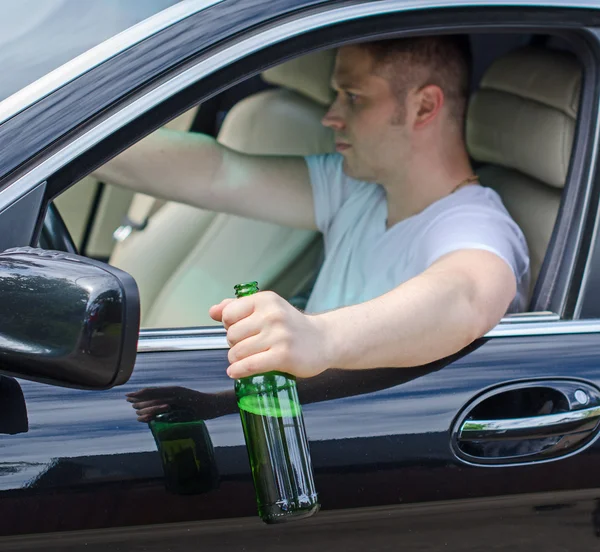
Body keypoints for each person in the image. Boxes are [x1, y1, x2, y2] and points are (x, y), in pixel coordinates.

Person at [95, 36, 530, 380]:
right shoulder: (357, 188)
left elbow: (465, 296)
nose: (331, 116)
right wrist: (81, 143)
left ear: (424, 106)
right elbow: (218, 172)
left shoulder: (475, 222)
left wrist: (320, 336)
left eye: (353, 96)